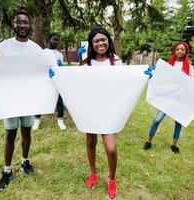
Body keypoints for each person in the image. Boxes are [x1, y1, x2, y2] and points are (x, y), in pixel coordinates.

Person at [0, 9, 42, 191]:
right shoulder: (4, 46)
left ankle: (24, 161)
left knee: (27, 132)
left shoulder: (36, 48)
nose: (22, 25)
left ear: (29, 26)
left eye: (25, 22)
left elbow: (40, 72)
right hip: (10, 97)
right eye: (18, 22)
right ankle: (7, 170)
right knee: (10, 134)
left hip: (28, 97)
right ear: (13, 25)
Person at [80, 27, 122, 199]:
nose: (100, 43)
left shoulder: (116, 61)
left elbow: (125, 82)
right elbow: (76, 84)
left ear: (108, 41)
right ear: (91, 44)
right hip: (90, 109)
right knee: (91, 143)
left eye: (103, 39)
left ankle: (112, 179)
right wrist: (57, 76)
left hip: (108, 110)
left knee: (111, 149)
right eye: (96, 41)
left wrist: (144, 75)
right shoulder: (85, 63)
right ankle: (93, 173)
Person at [143, 41, 194, 154]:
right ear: (174, 51)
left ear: (186, 51)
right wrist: (153, 71)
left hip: (179, 99)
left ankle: (174, 145)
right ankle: (149, 141)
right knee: (157, 120)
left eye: (182, 49)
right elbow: (160, 77)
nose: (179, 51)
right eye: (177, 49)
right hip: (167, 98)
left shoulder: (189, 67)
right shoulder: (168, 65)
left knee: (178, 123)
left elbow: (192, 85)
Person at [33, 33, 66, 131]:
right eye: (54, 39)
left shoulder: (59, 54)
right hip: (44, 80)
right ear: (49, 39)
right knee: (40, 99)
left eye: (57, 40)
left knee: (59, 101)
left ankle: (60, 120)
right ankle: (37, 120)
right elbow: (38, 67)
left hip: (56, 81)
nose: (56, 42)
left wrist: (60, 67)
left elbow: (61, 70)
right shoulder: (43, 52)